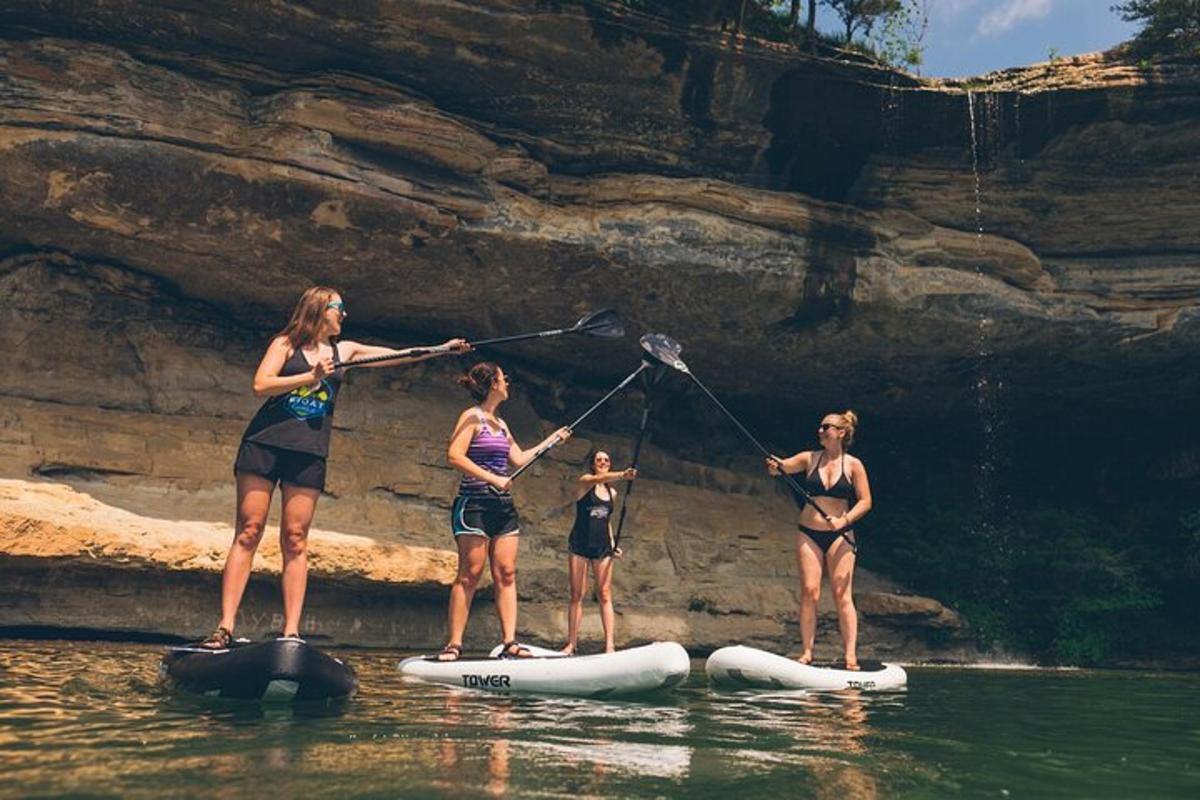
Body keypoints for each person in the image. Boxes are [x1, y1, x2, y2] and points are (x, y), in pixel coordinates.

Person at [199, 286, 469, 648]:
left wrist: (442, 349)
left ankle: (291, 632)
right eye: (338, 307)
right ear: (319, 309)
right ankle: (226, 626)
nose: (344, 314)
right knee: (249, 531)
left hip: (309, 452)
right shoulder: (286, 344)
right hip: (264, 445)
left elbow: (398, 356)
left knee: (295, 538)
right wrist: (311, 375)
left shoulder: (347, 351)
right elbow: (261, 384)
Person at [439, 362, 570, 661]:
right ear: (492, 384)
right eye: (503, 378)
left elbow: (519, 458)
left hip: (502, 508)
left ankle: (510, 642)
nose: (507, 382)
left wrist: (552, 441)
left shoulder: (501, 424)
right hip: (473, 504)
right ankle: (454, 644)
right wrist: (494, 478)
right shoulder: (472, 417)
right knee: (470, 575)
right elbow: (454, 455)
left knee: (507, 573)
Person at [767, 410, 872, 669]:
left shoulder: (854, 465)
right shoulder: (809, 458)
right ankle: (806, 652)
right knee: (810, 592)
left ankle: (850, 656)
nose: (821, 430)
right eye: (820, 427)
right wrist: (775, 466)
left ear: (841, 432)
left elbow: (866, 501)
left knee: (841, 594)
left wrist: (844, 521)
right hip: (808, 532)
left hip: (840, 534)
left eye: (827, 427)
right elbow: (782, 468)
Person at [561, 450, 637, 655]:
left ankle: (610, 645)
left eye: (606, 460)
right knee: (577, 594)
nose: (603, 462)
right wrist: (622, 475)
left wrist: (612, 544)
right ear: (593, 465)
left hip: (602, 546)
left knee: (604, 594)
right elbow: (599, 479)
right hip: (579, 544)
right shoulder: (586, 481)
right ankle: (571, 644)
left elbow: (607, 522)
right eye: (598, 460)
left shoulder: (612, 493)